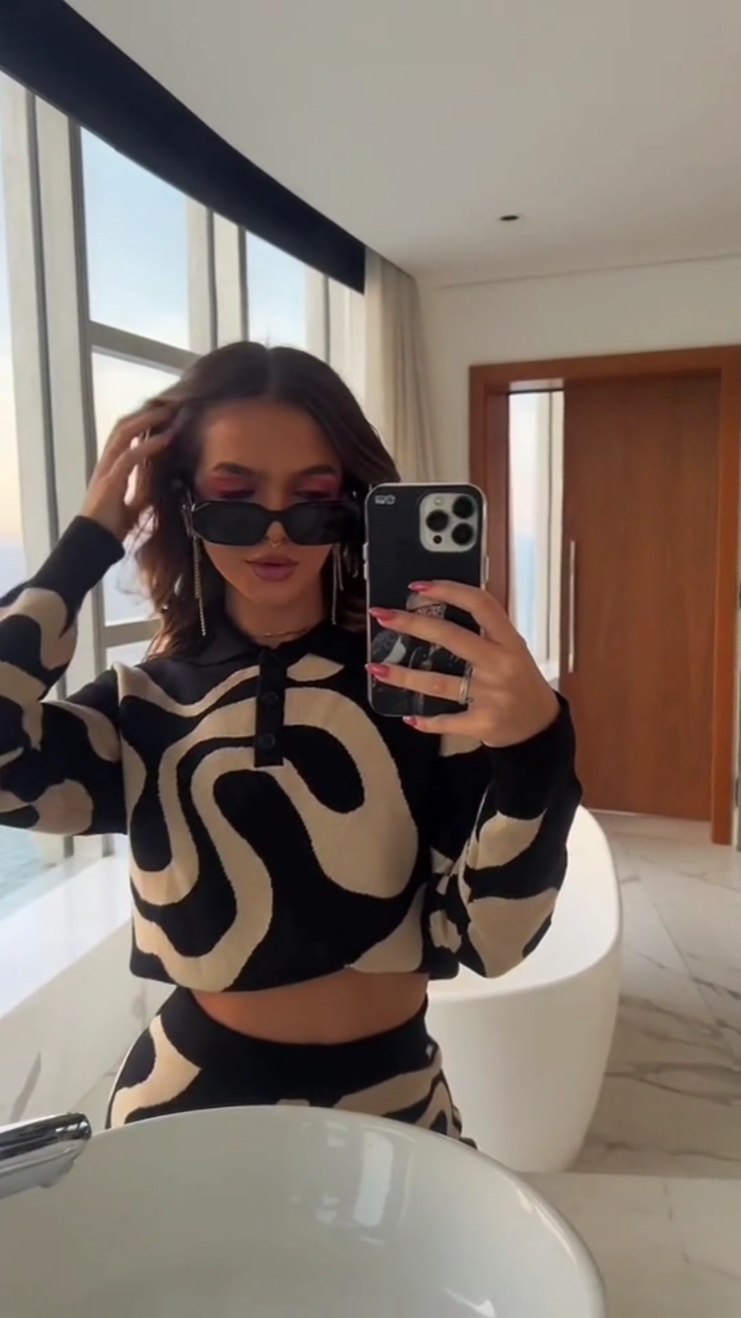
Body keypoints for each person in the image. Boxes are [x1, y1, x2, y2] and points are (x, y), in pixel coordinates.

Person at [0, 342, 580, 1137]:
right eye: (234, 499)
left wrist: (537, 747)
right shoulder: (142, 705)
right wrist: (89, 541)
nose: (275, 533)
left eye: (311, 501)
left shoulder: (420, 699)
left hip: (397, 1100)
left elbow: (492, 940)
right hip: (188, 1102)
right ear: (184, 503)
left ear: (351, 508)